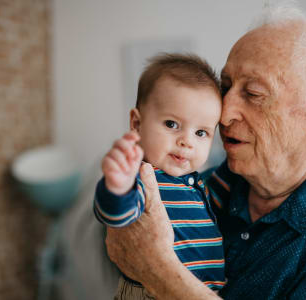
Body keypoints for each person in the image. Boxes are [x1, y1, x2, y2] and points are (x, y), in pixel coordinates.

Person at [104, 4, 306, 299]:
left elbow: (148, 262)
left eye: (254, 94)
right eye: (225, 87)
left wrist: (159, 271)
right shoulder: (201, 187)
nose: (224, 115)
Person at [94, 53, 226, 299]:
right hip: (149, 291)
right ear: (136, 124)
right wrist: (117, 187)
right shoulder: (146, 178)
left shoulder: (196, 183)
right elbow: (115, 217)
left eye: (201, 132)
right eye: (172, 124)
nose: (186, 141)